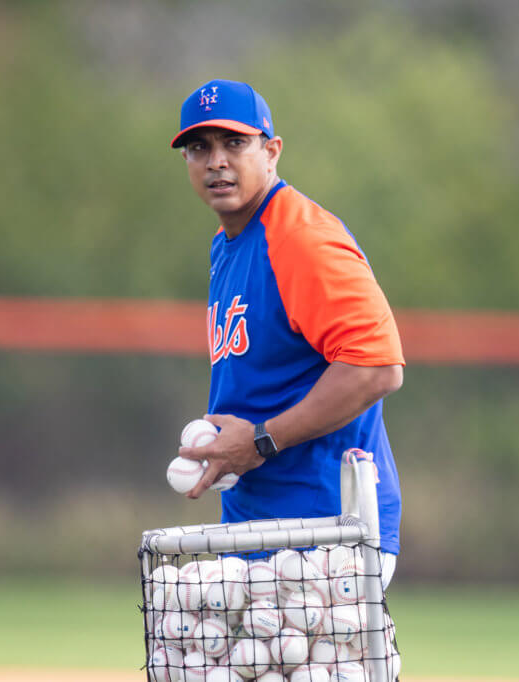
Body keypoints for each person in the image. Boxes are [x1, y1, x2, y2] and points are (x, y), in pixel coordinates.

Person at [172, 79, 406, 588]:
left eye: (235, 143)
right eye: (199, 147)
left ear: (271, 151)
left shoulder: (300, 238)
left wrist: (260, 440)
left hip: (328, 531)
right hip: (260, 527)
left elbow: (377, 367)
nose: (216, 161)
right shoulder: (229, 242)